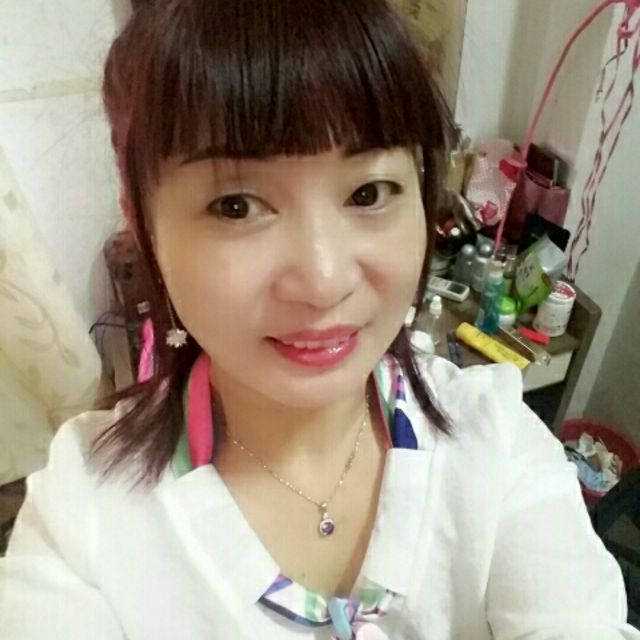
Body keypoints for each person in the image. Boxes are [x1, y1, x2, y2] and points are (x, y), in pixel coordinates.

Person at [1, 1, 637, 638]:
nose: (324, 280)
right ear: (141, 223)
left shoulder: (495, 444)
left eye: (368, 193)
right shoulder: (85, 516)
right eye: (236, 205)